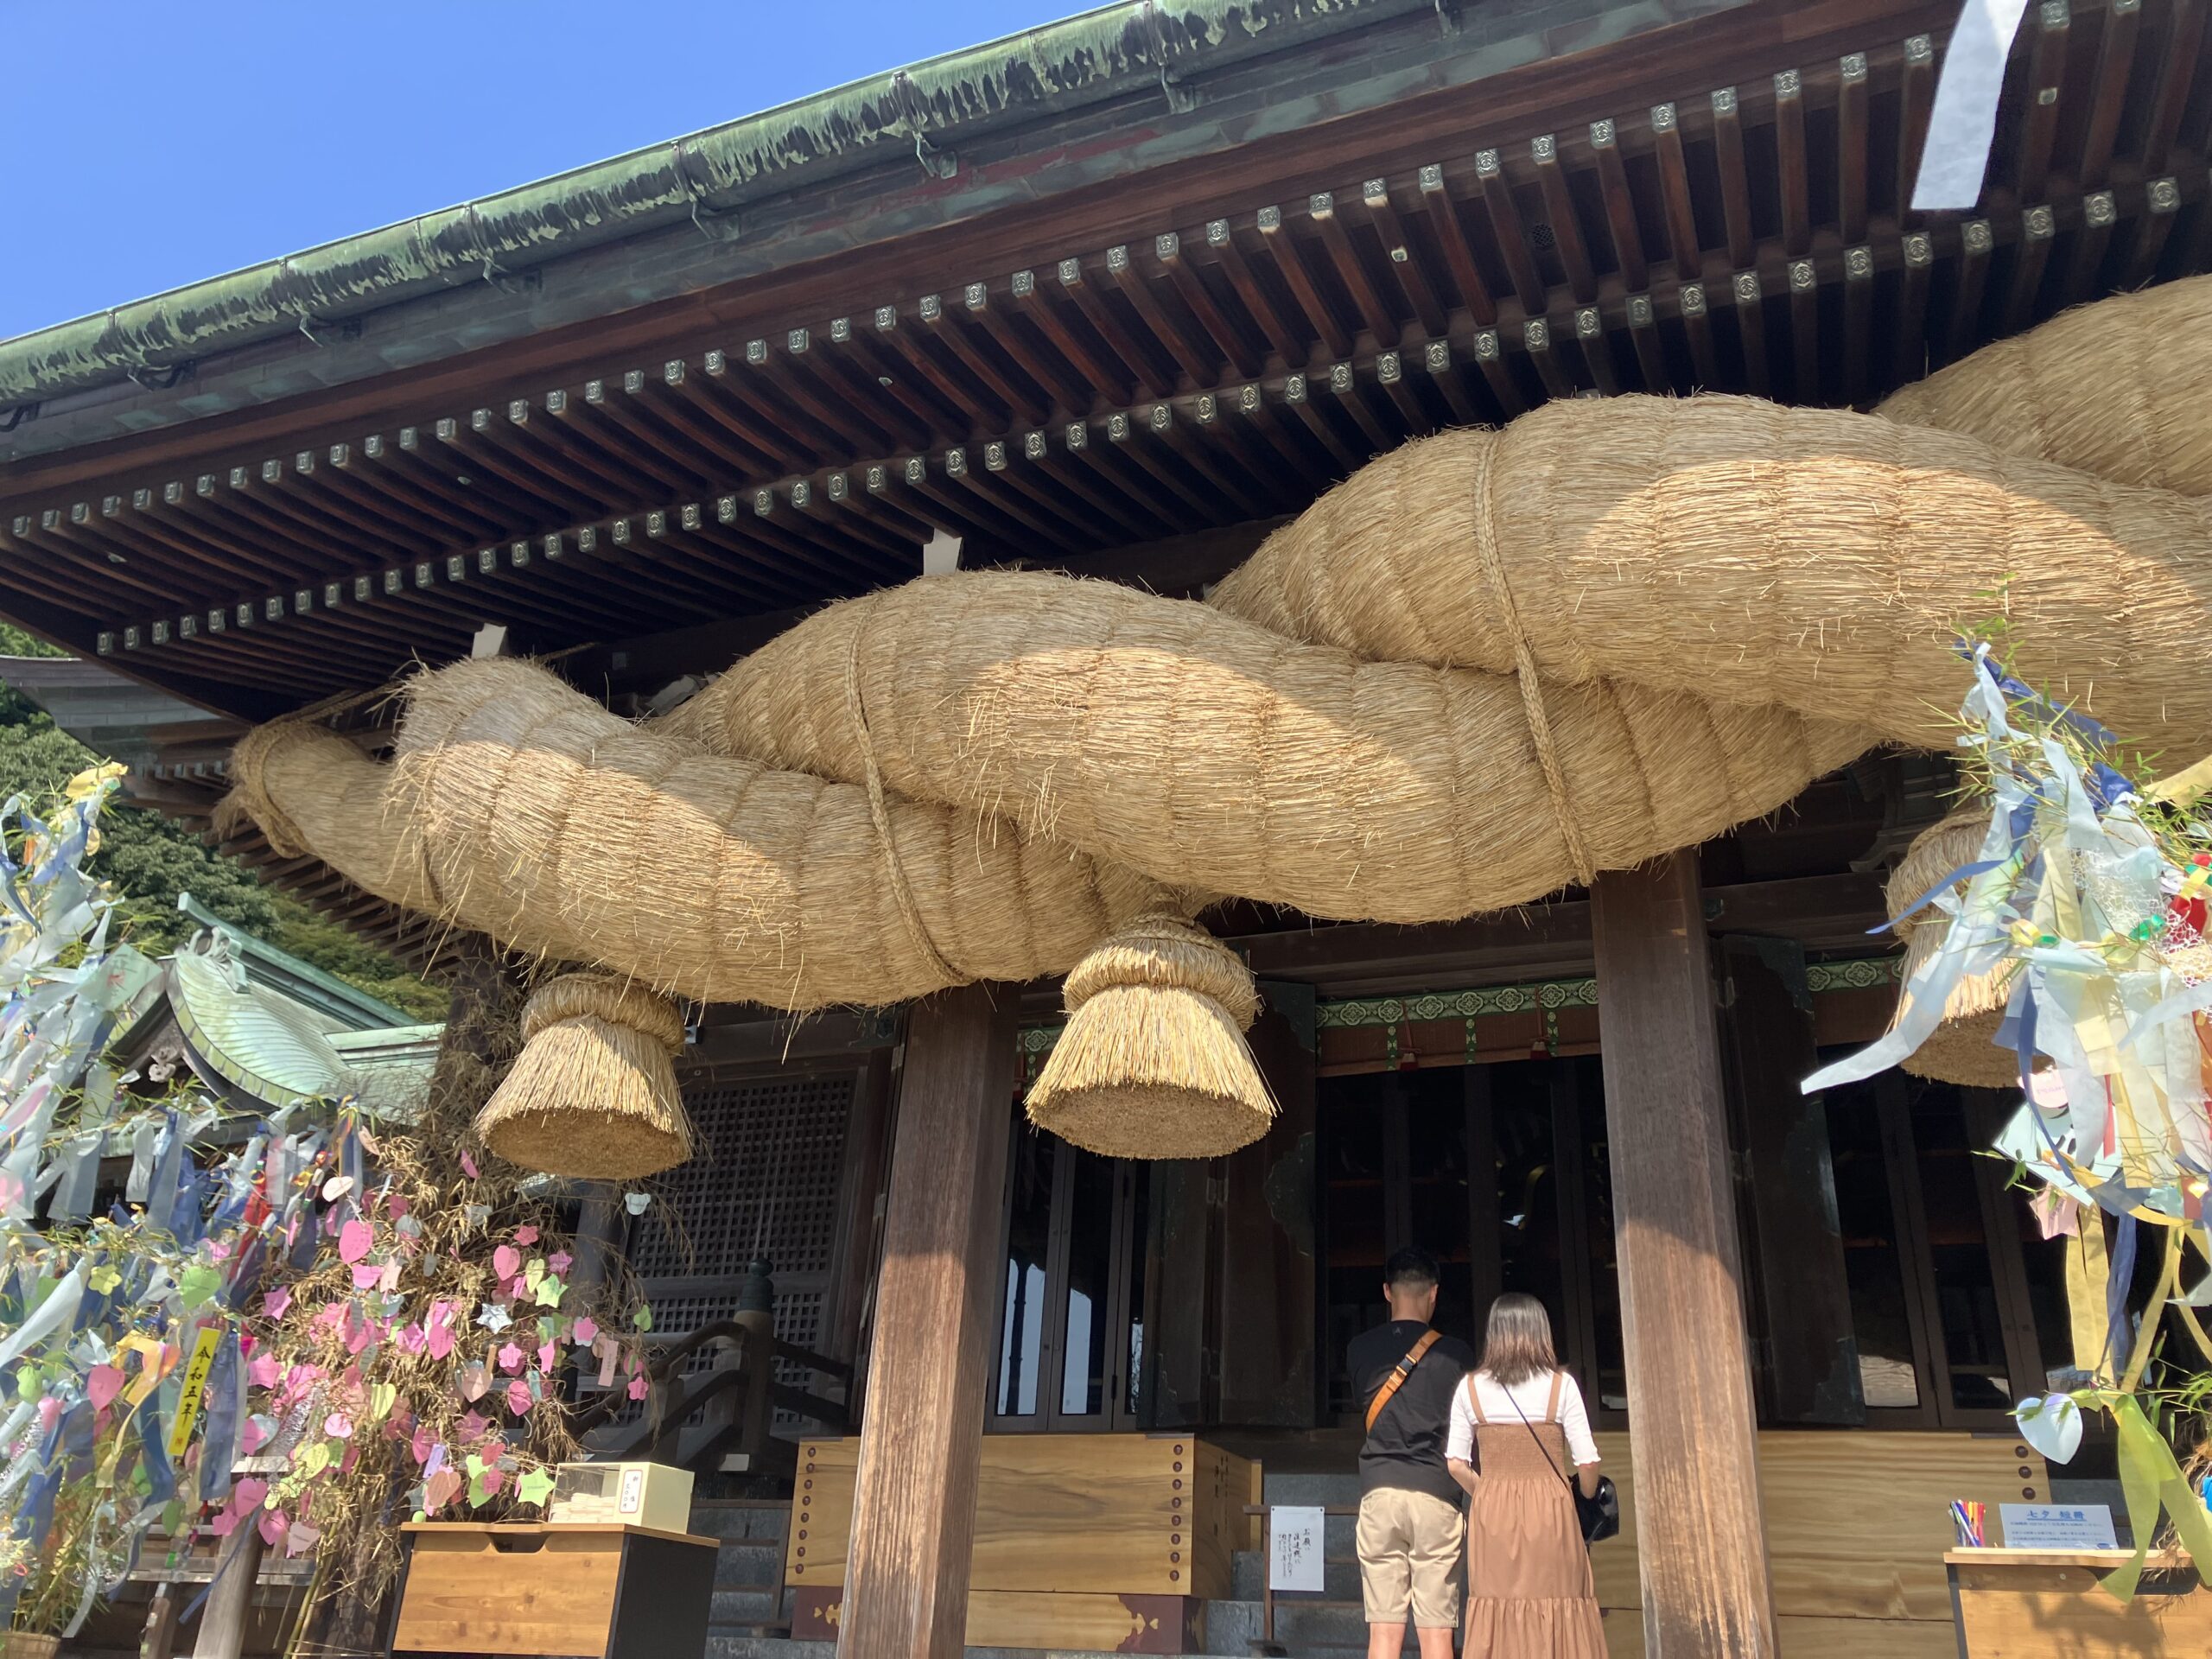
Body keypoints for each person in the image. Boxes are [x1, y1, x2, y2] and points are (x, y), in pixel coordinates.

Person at [1445, 1292, 1606, 1656]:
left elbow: (1455, 1463)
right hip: (1552, 1509)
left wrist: (1488, 1491)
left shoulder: (1470, 1388)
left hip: (1492, 1512)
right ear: (1541, 1332)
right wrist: (1582, 1498)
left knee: (1496, 1605)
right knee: (1561, 1601)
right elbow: (1587, 1462)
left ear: (1494, 1334)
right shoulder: (1561, 1385)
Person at [1347, 1246, 1476, 1659]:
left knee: (1383, 1634)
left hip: (1380, 1492)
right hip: (1436, 1493)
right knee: (1436, 1635)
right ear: (1433, 1293)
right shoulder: (1457, 1355)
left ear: (1387, 1291)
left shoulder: (1359, 1349)